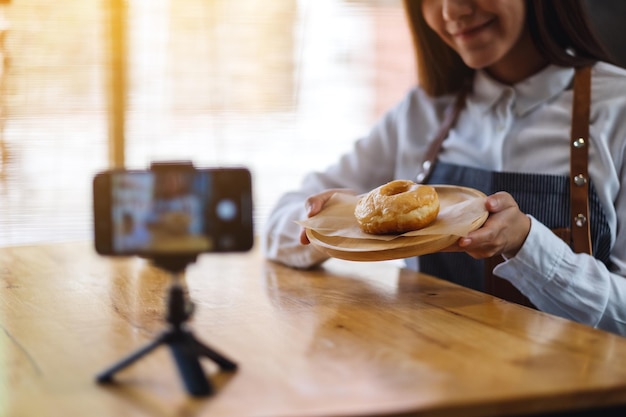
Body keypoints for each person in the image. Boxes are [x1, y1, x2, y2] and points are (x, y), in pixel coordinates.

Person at [263, 0, 626, 336]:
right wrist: (338, 226)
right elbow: (281, 222)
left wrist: (526, 245)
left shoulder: (617, 109)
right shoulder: (423, 110)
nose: (452, 11)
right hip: (432, 381)